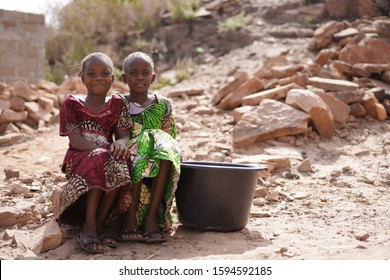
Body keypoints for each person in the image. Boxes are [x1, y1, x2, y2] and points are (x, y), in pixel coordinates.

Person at [51, 52, 133, 254]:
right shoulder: (72, 104)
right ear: (83, 79)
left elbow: (124, 135)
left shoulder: (118, 104)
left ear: (112, 79)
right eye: (92, 73)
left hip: (105, 155)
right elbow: (75, 141)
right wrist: (104, 151)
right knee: (101, 158)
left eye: (105, 73)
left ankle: (99, 223)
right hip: (79, 157)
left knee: (120, 160)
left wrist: (121, 144)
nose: (98, 78)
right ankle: (88, 226)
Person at [117, 51, 181, 243]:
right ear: (124, 78)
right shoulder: (119, 103)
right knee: (142, 144)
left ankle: (152, 216)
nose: (139, 77)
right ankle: (130, 218)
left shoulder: (163, 104)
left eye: (145, 73)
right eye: (133, 73)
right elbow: (117, 134)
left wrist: (153, 142)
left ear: (152, 78)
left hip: (158, 158)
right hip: (130, 157)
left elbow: (170, 137)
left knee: (164, 148)